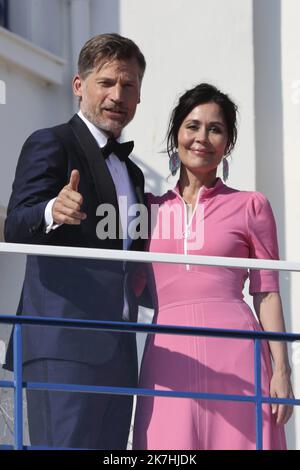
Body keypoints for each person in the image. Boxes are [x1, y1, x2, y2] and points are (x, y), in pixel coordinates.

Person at [4, 33, 146, 450]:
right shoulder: (51, 142)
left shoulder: (133, 174)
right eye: (107, 82)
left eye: (129, 85)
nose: (118, 95)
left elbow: (131, 262)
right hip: (62, 347)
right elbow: (15, 226)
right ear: (79, 85)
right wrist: (51, 210)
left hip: (121, 351)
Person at [132, 83, 294, 450]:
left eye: (215, 129)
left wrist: (282, 369)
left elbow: (266, 291)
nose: (202, 137)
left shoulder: (252, 206)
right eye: (193, 126)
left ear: (227, 144)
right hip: (167, 354)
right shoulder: (146, 208)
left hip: (238, 354)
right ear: (176, 134)